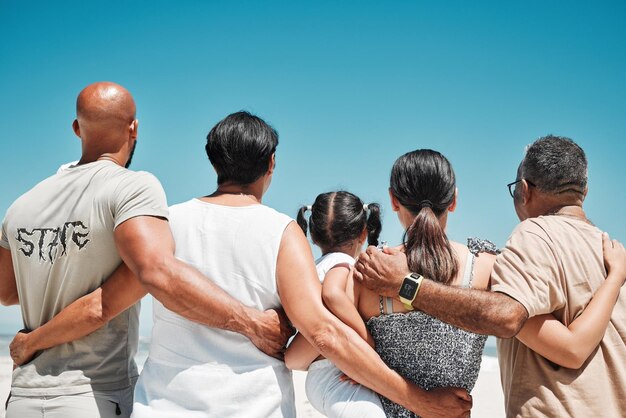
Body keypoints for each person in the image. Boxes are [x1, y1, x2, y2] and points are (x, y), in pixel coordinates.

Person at [9, 110, 475, 417]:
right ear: (271, 164)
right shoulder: (281, 233)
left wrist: (34, 340)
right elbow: (324, 332)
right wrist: (418, 401)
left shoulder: (165, 222)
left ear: (214, 162)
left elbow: (103, 305)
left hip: (163, 407)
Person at [0, 82, 293, 418]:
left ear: (77, 128)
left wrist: (40, 324)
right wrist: (253, 324)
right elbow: (152, 275)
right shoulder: (130, 186)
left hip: (22, 396)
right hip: (94, 393)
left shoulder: (21, 206)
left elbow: (8, 292)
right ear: (134, 128)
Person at [354, 136, 626, 417]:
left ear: (393, 200)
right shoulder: (486, 267)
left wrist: (406, 285)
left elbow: (342, 350)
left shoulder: (369, 272)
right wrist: (615, 277)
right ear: (454, 200)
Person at [285, 191, 387, 418]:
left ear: (313, 235)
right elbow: (332, 294)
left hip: (320, 372)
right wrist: (367, 343)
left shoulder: (315, 267)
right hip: (333, 373)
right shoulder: (341, 263)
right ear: (363, 232)